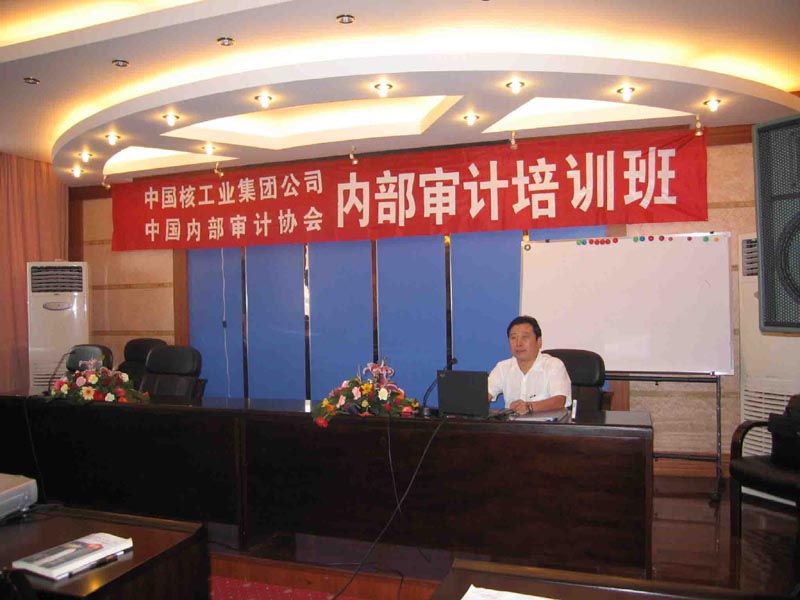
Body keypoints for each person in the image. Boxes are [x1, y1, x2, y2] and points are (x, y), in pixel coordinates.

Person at [488, 315, 571, 415]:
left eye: (525, 337)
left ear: (539, 342)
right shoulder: (502, 367)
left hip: (546, 424)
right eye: (513, 338)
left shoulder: (553, 365)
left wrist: (530, 407)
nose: (518, 343)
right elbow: (485, 394)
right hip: (511, 424)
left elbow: (560, 400)